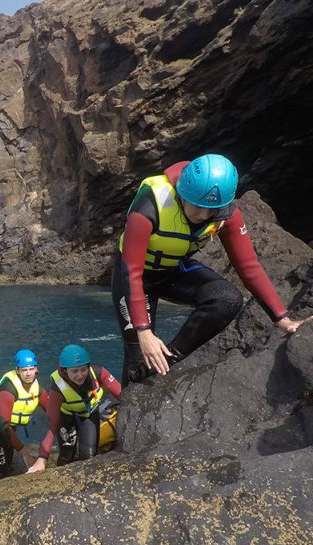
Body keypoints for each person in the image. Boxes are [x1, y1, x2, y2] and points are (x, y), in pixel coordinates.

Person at [112, 153, 311, 385]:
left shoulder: (226, 215)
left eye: (212, 209)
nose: (203, 216)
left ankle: (170, 358)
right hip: (135, 277)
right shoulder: (150, 204)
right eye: (198, 206)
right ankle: (124, 406)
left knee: (227, 300)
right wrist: (144, 331)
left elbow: (248, 266)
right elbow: (131, 270)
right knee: (137, 356)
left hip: (173, 271)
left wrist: (283, 319)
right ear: (183, 193)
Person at [27, 345, 121, 471]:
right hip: (66, 416)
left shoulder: (98, 372)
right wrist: (42, 459)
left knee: (88, 455)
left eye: (83, 369)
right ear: (65, 371)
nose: (80, 375)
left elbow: (123, 394)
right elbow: (51, 423)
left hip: (89, 413)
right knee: (67, 455)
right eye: (75, 371)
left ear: (88, 366)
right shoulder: (58, 388)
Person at [0, 349, 61, 480]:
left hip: (9, 436)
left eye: (31, 369)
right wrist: (23, 451)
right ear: (17, 371)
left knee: (9, 469)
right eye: (24, 370)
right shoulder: (8, 389)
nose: (28, 374)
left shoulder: (38, 390)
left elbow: (53, 412)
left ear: (36, 370)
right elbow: (4, 426)